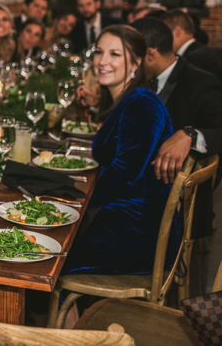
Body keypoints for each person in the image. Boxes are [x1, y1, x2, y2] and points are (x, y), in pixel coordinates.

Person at [62, 25, 177, 275]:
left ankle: (63, 313)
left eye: (115, 54)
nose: (102, 61)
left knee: (51, 254)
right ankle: (64, 313)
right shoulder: (128, 99)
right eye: (99, 52)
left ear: (136, 62)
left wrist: (76, 199)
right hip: (124, 212)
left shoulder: (142, 103)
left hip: (138, 226)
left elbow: (125, 172)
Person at [132, 17, 222, 239]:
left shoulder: (199, 81)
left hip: (169, 210)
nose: (130, 66)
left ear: (150, 54)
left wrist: (191, 135)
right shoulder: (145, 79)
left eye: (133, 58)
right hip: (139, 186)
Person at [161, 9, 222, 81]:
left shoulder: (191, 59)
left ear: (178, 32)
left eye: (164, 35)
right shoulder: (215, 51)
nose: (161, 40)